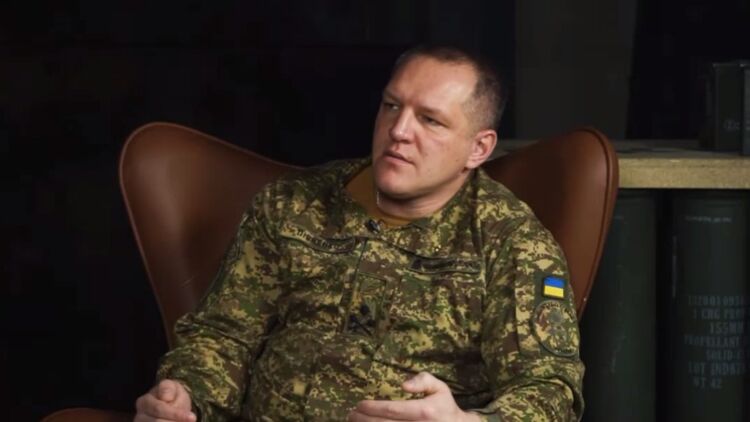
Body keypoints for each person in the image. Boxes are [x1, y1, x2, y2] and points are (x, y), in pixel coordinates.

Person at [134, 45, 584, 422]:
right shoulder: (291, 203)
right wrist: (185, 395)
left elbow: (548, 390)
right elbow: (223, 336)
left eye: (430, 120)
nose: (399, 131)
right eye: (392, 106)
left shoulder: (512, 243)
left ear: (478, 148)